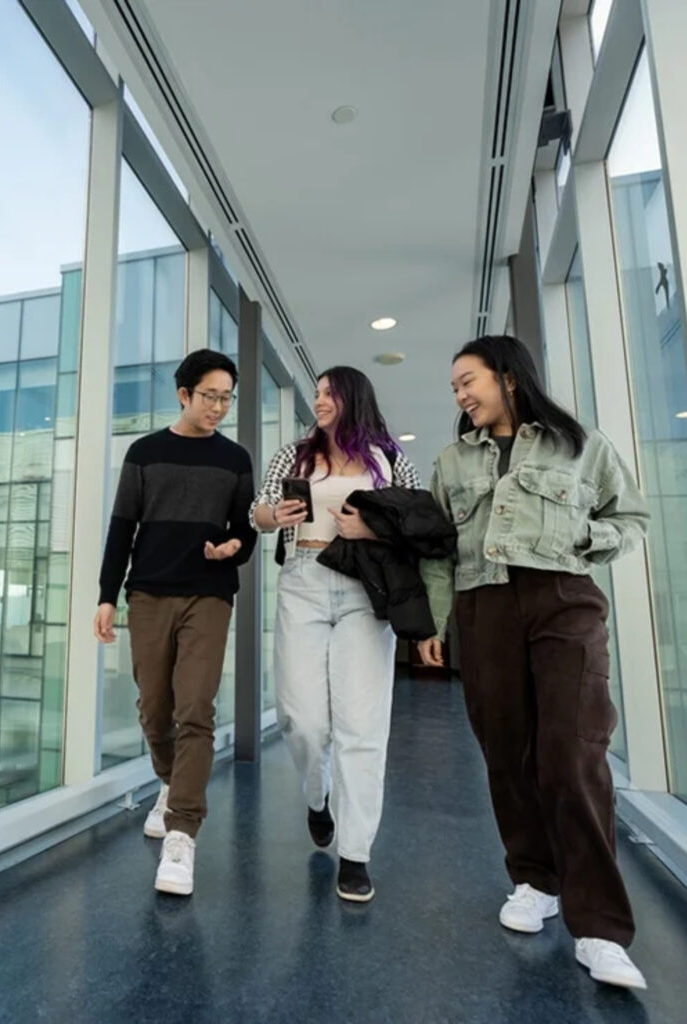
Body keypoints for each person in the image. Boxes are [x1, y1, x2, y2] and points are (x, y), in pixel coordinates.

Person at [417, 335, 650, 990]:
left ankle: (601, 928)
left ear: (509, 377)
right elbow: (437, 550)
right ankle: (534, 880)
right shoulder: (452, 461)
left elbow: (630, 518)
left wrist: (587, 534)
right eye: (455, 387)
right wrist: (432, 626)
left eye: (469, 380)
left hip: (564, 600)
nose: (460, 395)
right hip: (483, 607)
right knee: (506, 751)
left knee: (572, 753)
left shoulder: (581, 445)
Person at [250, 366, 421, 902]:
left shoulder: (388, 456)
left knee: (362, 725)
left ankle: (355, 853)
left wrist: (371, 527)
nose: (318, 400)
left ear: (351, 397)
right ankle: (317, 795)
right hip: (303, 578)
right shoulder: (294, 453)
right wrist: (274, 515)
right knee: (301, 720)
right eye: (317, 393)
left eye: (328, 393)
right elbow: (256, 511)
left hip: (365, 587)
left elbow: (416, 518)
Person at [94, 348, 257, 896]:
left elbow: (246, 529)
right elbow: (122, 527)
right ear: (183, 394)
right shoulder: (145, 451)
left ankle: (182, 834)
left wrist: (235, 546)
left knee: (195, 708)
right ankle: (170, 783)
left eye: (226, 398)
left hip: (209, 594)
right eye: (210, 396)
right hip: (148, 593)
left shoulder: (235, 459)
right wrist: (106, 595)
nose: (218, 407)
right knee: (153, 708)